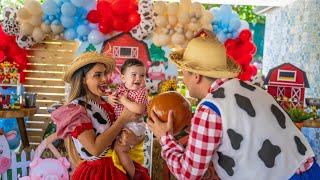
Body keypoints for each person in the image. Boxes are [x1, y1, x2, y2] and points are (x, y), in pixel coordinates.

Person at [147, 37, 320, 180]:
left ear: (196, 76)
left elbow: (188, 174)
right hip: (309, 170)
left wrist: (165, 138)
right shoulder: (251, 90)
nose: (183, 78)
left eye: (183, 72)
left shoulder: (209, 109)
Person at [51, 52, 149, 180]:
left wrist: (134, 139)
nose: (104, 79)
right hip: (99, 173)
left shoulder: (109, 102)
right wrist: (122, 119)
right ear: (83, 79)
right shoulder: (76, 110)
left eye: (104, 74)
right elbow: (95, 149)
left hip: (121, 165)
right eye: (97, 75)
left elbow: (137, 136)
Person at [107, 58, 149, 175]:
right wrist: (111, 99)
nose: (138, 78)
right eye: (134, 75)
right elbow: (113, 98)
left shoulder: (141, 91)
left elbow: (140, 109)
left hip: (134, 124)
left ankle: (132, 175)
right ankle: (122, 171)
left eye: (142, 75)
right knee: (115, 147)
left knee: (121, 149)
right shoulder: (121, 88)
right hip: (124, 123)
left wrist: (124, 100)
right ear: (123, 78)